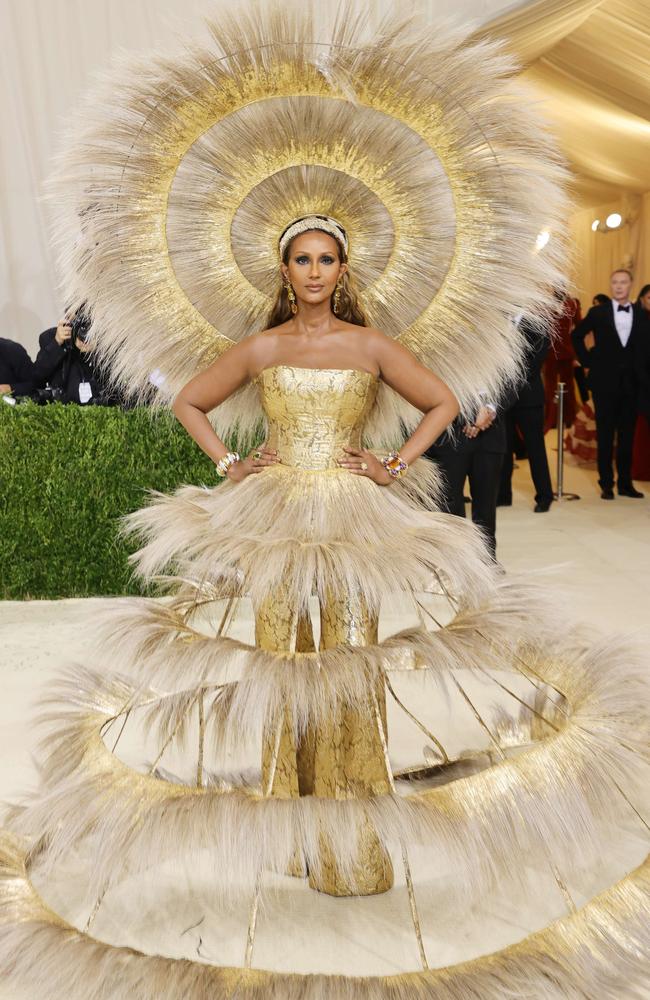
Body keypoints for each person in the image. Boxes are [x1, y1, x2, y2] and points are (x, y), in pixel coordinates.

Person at [166, 218, 460, 894]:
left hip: (351, 519)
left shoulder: (371, 346)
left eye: (327, 259)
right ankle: (292, 834)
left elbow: (441, 401)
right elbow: (190, 401)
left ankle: (350, 844)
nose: (316, 271)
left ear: (344, 270)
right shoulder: (263, 347)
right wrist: (231, 463)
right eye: (303, 259)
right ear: (286, 271)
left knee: (351, 658)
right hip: (280, 520)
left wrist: (393, 463)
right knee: (285, 656)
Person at [572, 269, 647, 499]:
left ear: (631, 285)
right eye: (614, 282)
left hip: (632, 386)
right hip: (605, 384)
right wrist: (589, 362)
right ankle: (606, 483)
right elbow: (576, 336)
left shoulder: (642, 314)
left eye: (623, 282)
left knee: (626, 437)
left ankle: (625, 484)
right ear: (611, 285)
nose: (618, 286)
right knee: (605, 435)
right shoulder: (598, 312)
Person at [427, 395, 507, 559]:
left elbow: (512, 383)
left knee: (486, 502)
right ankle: (458, 559)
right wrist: (468, 416)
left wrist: (490, 410)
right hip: (450, 433)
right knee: (449, 501)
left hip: (491, 435)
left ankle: (486, 559)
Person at [499, 316, 554, 512]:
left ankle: (545, 495)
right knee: (503, 447)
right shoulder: (498, 318)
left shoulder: (537, 321)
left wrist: (510, 380)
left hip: (529, 396)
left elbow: (536, 360)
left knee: (535, 447)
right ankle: (503, 494)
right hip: (502, 397)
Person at [32, 307, 118, 405]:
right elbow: (36, 378)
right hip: (64, 412)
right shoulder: (53, 337)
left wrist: (99, 350)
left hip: (102, 411)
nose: (85, 335)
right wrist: (57, 343)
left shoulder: (108, 340)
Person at [543, 290, 581, 432]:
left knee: (567, 387)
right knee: (551, 388)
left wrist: (577, 353)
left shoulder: (572, 304)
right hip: (551, 352)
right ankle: (552, 419)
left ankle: (568, 417)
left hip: (565, 351)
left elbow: (579, 327)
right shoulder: (546, 304)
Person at [631, 283, 650, 481]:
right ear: (642, 299)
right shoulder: (637, 320)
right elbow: (637, 359)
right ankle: (642, 470)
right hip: (643, 384)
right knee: (643, 431)